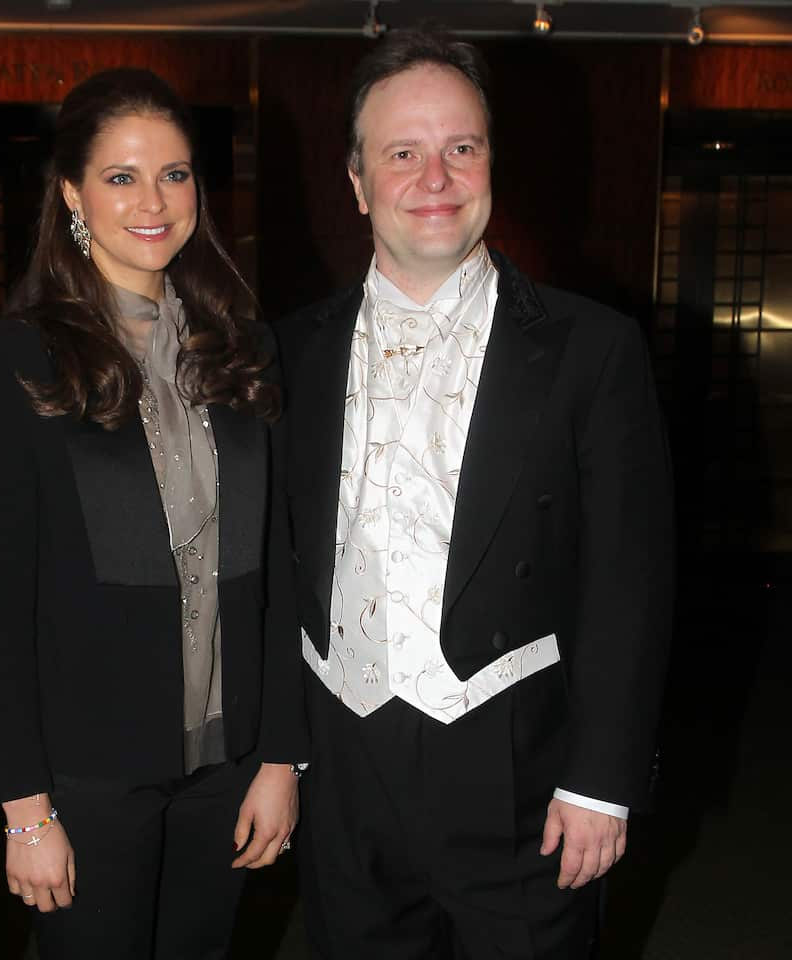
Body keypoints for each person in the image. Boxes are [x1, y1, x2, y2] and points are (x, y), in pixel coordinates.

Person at [270, 27, 674, 959]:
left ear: (493, 164)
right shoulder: (287, 351)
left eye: (462, 148)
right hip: (344, 770)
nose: (436, 177)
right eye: (402, 154)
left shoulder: (591, 347)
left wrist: (601, 780)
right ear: (359, 183)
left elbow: (629, 576)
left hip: (521, 776)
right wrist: (279, 756)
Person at [0, 67, 308, 960]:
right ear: (72, 192)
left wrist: (280, 756)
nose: (154, 201)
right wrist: (26, 808)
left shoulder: (241, 344)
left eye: (176, 173)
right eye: (121, 176)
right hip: (90, 767)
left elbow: (278, 567)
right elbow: (0, 607)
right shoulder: (16, 358)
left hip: (225, 766)